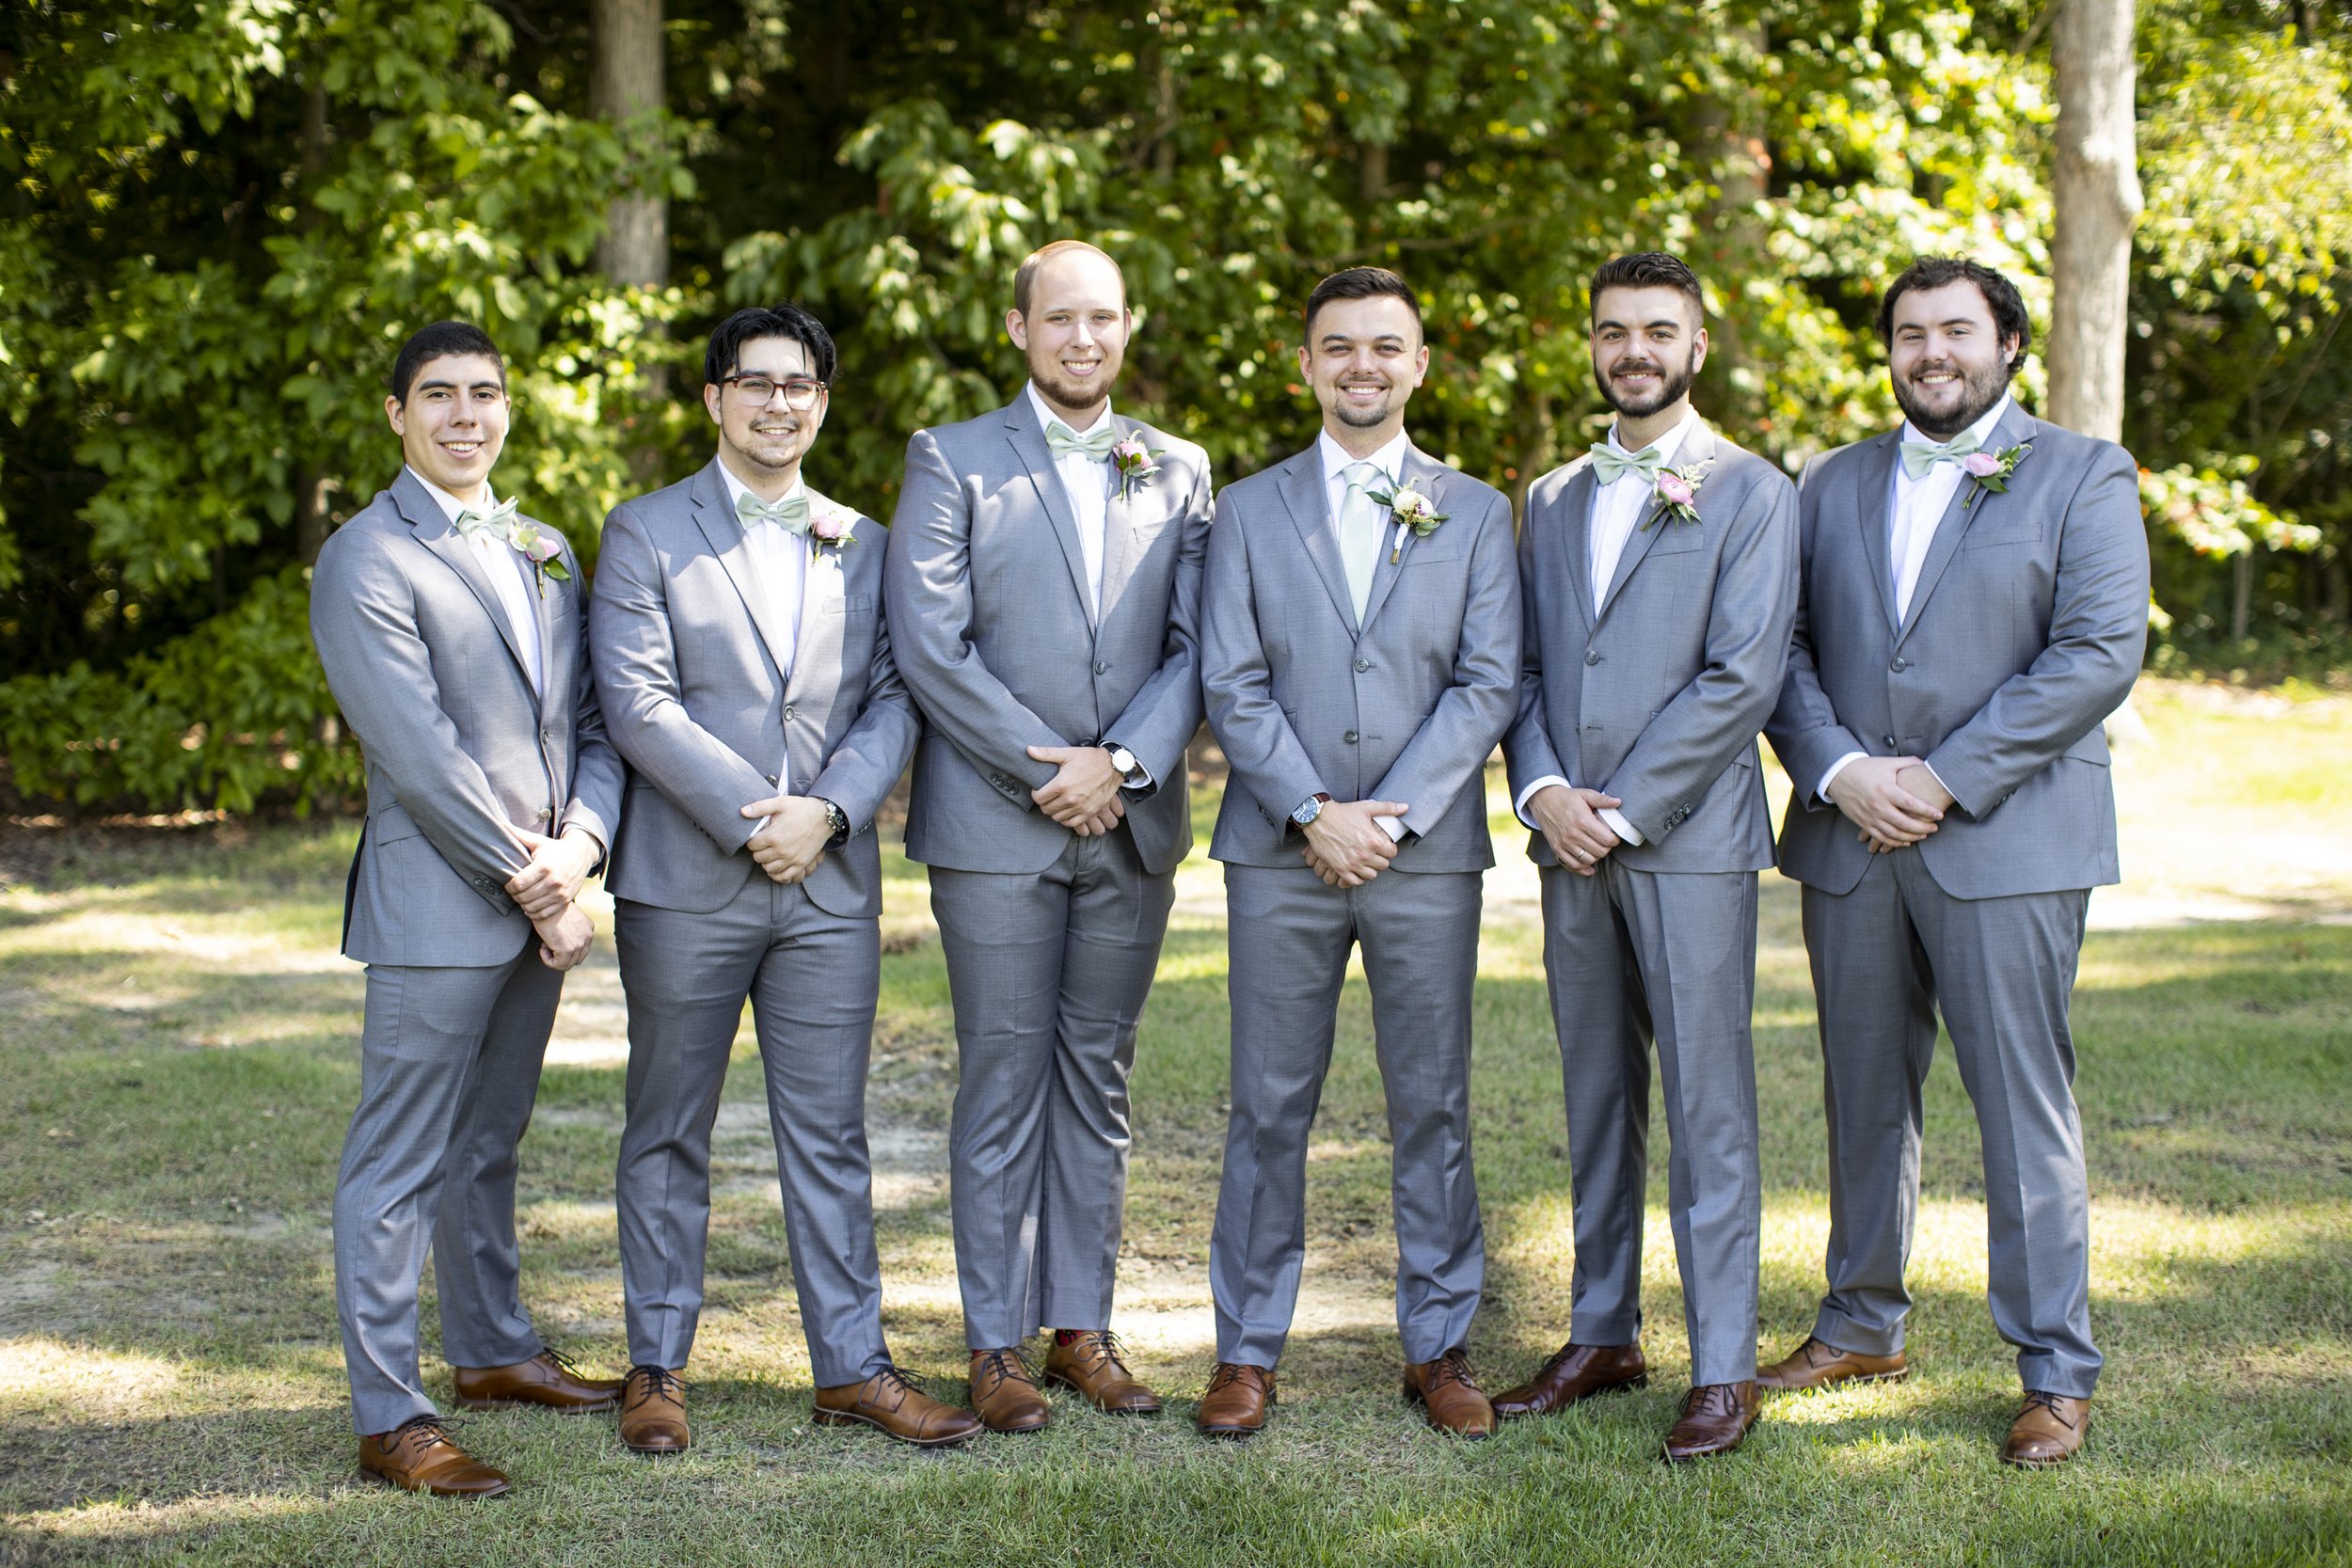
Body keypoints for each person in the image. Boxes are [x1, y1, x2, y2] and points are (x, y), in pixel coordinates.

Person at [1761, 256, 2150, 1466]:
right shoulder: (1826, 482)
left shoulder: (2084, 473)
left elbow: (2095, 652)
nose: (1931, 351)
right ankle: (1862, 1319)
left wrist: (1940, 776)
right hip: (1850, 836)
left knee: (2018, 1101)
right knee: (1862, 1089)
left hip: (2009, 834)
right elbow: (1778, 648)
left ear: (2008, 346)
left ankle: (2053, 1367)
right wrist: (1840, 770)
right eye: (1910, 333)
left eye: (1955, 331)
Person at [590, 305, 975, 1452]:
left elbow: (898, 692)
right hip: (685, 879)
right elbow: (637, 700)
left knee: (830, 1131)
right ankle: (656, 1364)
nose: (777, 402)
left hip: (827, 886)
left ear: (821, 399)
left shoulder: (864, 538)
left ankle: (853, 1365)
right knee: (668, 1126)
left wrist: (832, 810)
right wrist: (755, 819)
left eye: (799, 383)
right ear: (714, 400)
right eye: (753, 382)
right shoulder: (644, 530)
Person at [882, 241, 1213, 1431]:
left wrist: (1119, 763)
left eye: (1104, 319)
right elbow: (930, 643)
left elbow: (1197, 645)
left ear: (1128, 329)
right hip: (994, 822)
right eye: (1060, 318)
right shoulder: (951, 458)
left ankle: (1082, 1325)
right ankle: (992, 1343)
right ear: (1018, 329)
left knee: (1099, 1078)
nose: (1083, 339)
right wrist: (1053, 769)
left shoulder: (1178, 466)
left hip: (1130, 822)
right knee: (1001, 1077)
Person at [1195, 266, 1519, 1440]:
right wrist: (1308, 807)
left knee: (1429, 1100)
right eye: (1339, 347)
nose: (1362, 366)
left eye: (1386, 346)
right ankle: (1245, 1348)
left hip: (1423, 853)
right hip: (1277, 851)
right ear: (1307, 366)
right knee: (1268, 1103)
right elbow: (1227, 678)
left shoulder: (1478, 511)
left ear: (1420, 365)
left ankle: (1437, 1344)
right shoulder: (1245, 506)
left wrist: (1389, 812)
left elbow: (1489, 679)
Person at [1492, 251, 1799, 1460]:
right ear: (1593, 344)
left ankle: (1722, 1361)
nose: (1634, 351)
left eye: (1657, 331)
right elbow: (1515, 666)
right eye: (1614, 330)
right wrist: (1546, 792)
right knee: (1595, 1093)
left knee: (1708, 1106)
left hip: (1687, 843)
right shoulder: (1551, 494)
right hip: (1565, 843)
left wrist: (1621, 809)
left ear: (1696, 347)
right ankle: (1601, 1327)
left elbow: (1743, 676)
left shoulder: (1754, 491)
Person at [310, 320, 625, 1497]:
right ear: (397, 414)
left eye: (483, 394)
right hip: (439, 903)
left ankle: (491, 1349)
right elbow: (421, 753)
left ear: (508, 408)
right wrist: (539, 884)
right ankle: (392, 1414)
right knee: (399, 1157)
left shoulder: (543, 544)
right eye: (436, 395)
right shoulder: (364, 555)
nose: (463, 415)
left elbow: (592, 723)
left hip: (542, 885)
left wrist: (584, 844)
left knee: (488, 1140)